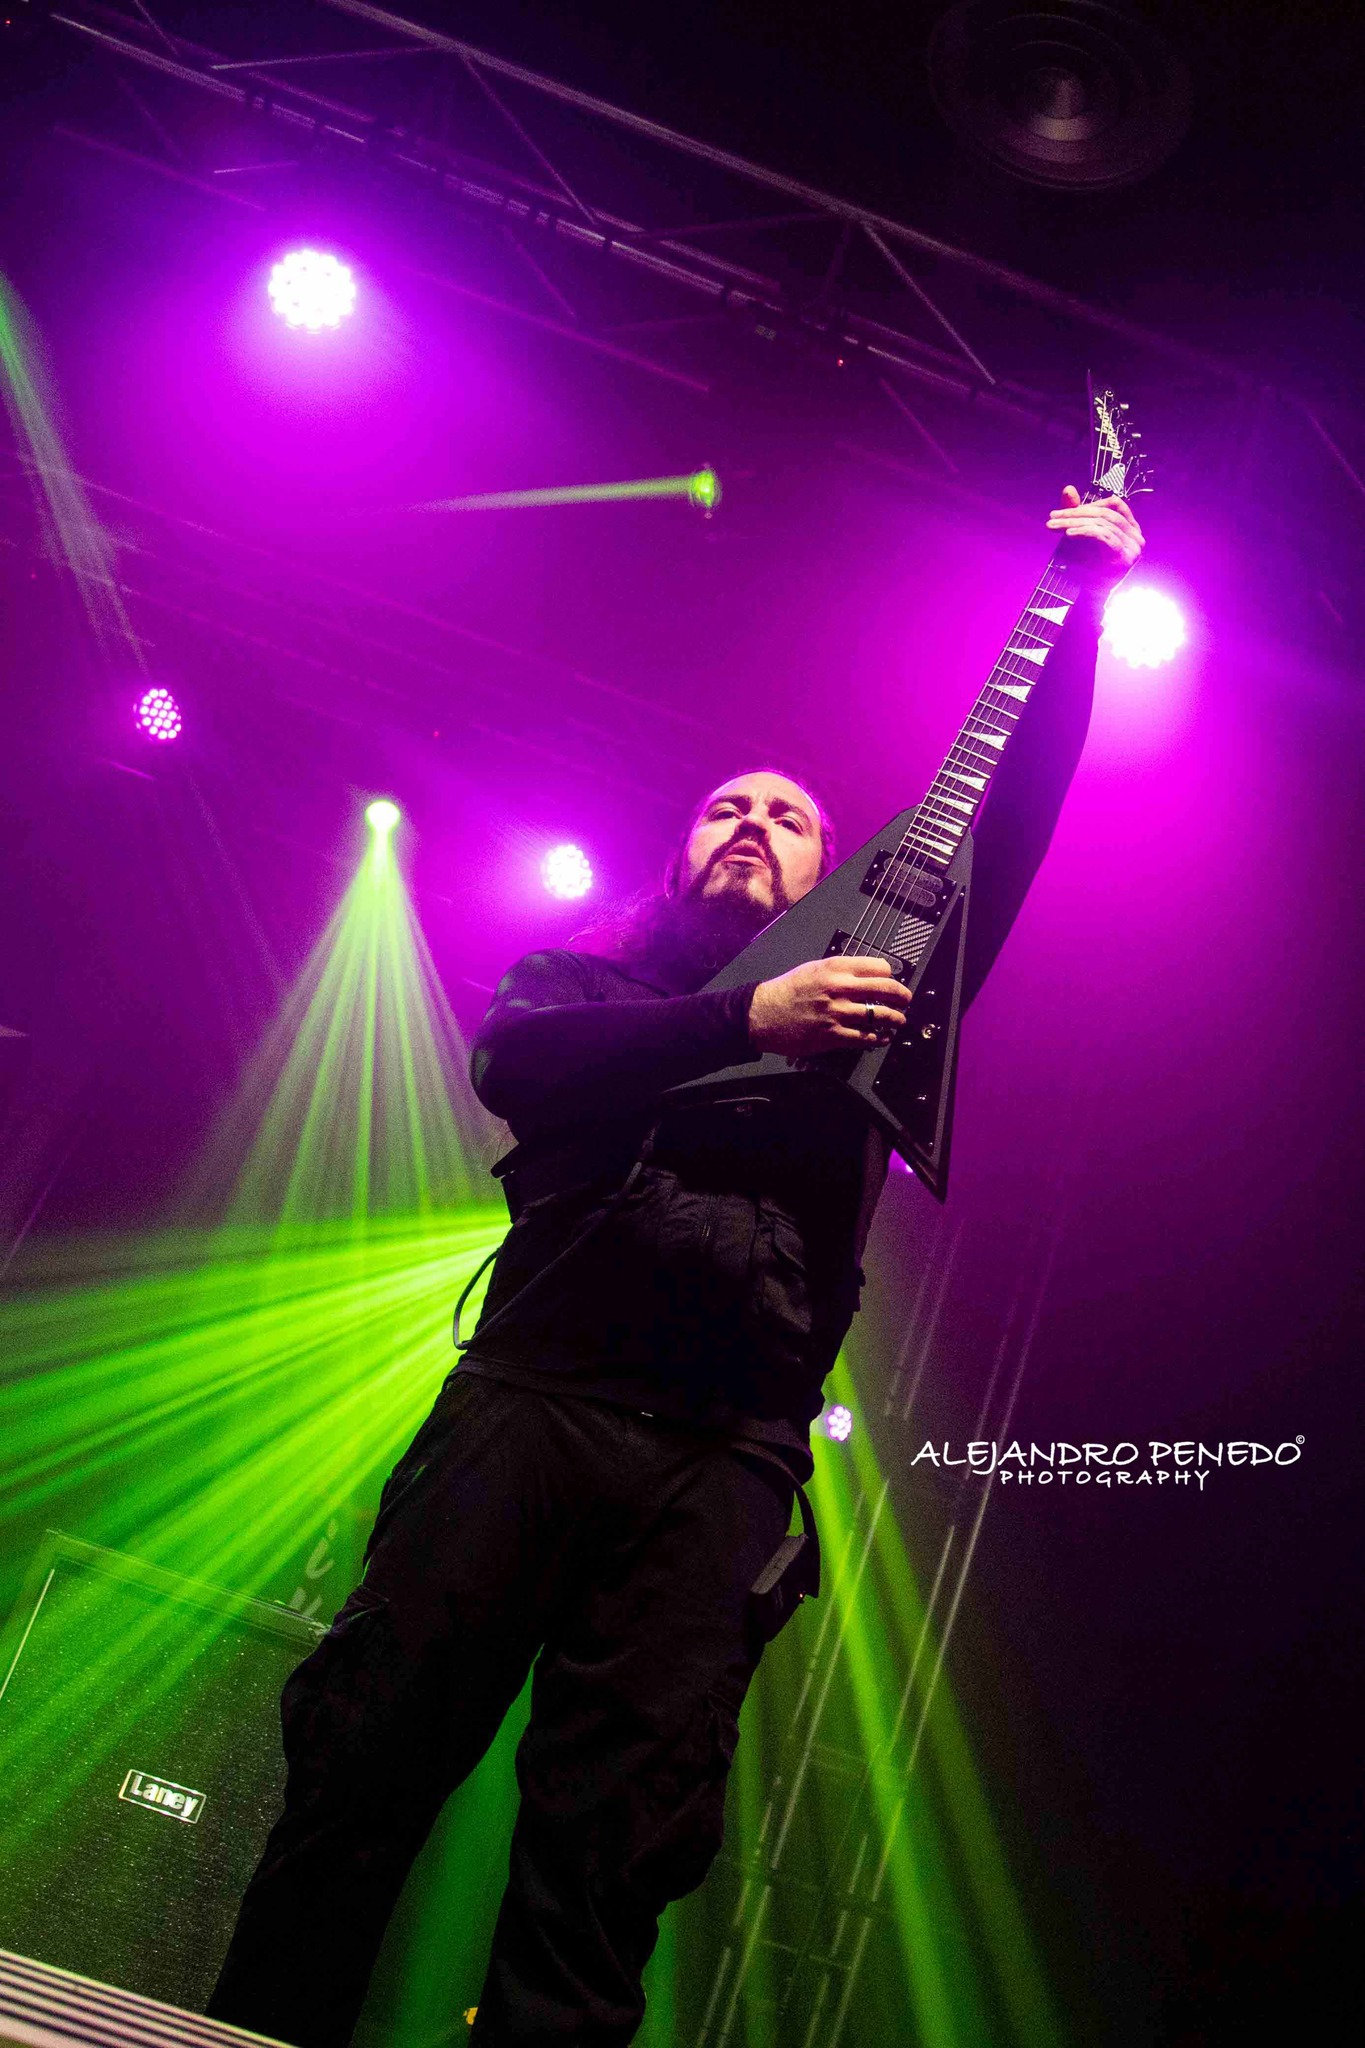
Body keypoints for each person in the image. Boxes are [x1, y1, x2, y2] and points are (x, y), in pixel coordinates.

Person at [207, 487, 1144, 2047]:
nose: (752, 823)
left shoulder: (880, 995)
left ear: (840, 880)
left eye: (787, 816)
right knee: (362, 1768)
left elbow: (1015, 817)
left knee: (610, 1853)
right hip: (527, 1406)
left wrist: (1086, 598)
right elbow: (514, 1064)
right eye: (723, 808)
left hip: (722, 1462)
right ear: (680, 856)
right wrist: (742, 1021)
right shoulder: (584, 983)